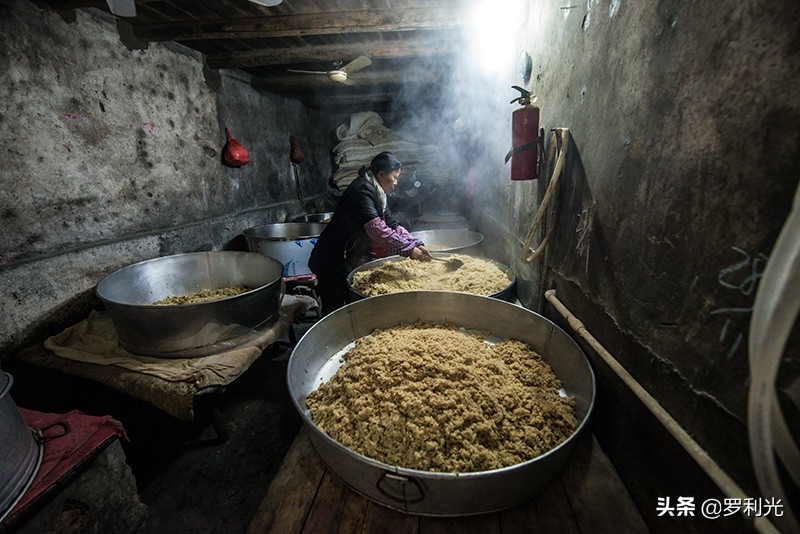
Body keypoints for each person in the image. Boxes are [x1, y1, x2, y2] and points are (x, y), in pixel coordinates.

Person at [308, 151, 431, 316]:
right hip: (331, 258)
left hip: (346, 258)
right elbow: (377, 230)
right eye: (394, 177)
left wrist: (415, 242)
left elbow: (392, 223)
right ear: (381, 174)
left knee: (350, 304)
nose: (396, 183)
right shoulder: (361, 191)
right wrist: (409, 251)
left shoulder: (376, 192)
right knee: (334, 309)